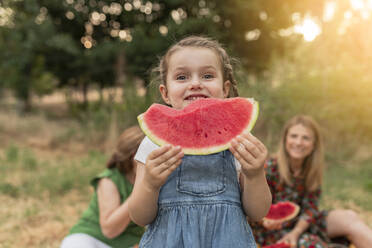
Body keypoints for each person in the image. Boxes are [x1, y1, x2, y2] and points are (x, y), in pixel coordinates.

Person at [127, 36, 272, 247]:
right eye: (182, 77)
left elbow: (258, 212)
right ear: (165, 93)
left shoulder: (239, 142)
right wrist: (150, 185)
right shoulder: (153, 144)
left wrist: (255, 174)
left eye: (207, 75)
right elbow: (139, 217)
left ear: (225, 89)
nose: (195, 83)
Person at [252, 115, 372, 248]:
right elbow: (255, 207)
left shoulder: (311, 169)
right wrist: (264, 221)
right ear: (285, 139)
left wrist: (297, 232)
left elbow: (311, 207)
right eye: (294, 136)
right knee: (311, 244)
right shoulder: (270, 167)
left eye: (305, 138)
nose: (298, 142)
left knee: (350, 217)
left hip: (303, 223)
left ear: (314, 144)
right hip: (274, 231)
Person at [60, 126, 145, 248]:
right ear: (132, 156)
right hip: (91, 238)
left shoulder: (158, 182)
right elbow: (109, 230)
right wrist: (140, 191)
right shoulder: (109, 180)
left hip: (130, 243)